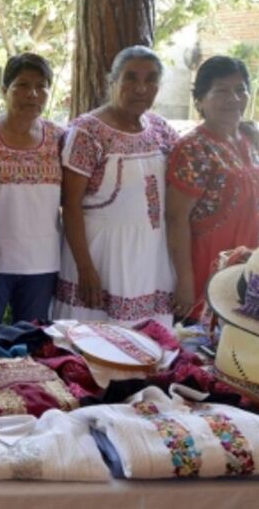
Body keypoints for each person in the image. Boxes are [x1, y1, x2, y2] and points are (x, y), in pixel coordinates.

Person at [56, 45, 179, 326]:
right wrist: (85, 268)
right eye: (131, 78)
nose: (141, 88)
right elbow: (70, 205)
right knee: (97, 341)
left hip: (150, 255)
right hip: (101, 254)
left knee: (148, 344)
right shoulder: (88, 131)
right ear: (113, 81)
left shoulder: (160, 129)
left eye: (150, 80)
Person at [166, 55, 259, 322]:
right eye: (222, 91)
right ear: (200, 100)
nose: (234, 99)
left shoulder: (252, 139)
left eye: (240, 90)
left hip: (256, 268)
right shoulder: (193, 148)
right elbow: (176, 218)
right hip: (210, 270)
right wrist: (186, 282)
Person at [0, 53, 63, 323]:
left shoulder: (60, 138)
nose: (32, 94)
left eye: (41, 86)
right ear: (4, 90)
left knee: (32, 342)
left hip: (43, 263)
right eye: (22, 85)